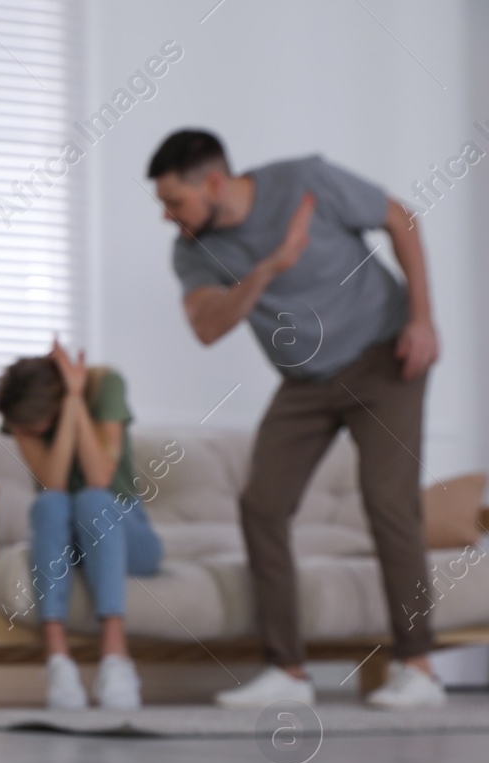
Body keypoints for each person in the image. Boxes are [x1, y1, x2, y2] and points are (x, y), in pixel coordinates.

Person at [148, 129, 444, 710]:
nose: (166, 216)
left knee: (388, 500)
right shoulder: (191, 249)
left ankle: (419, 668)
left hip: (386, 357)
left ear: (213, 183)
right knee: (262, 503)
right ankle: (287, 671)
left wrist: (423, 318)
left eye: (174, 201)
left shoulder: (305, 181)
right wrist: (269, 267)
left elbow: (400, 218)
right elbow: (207, 328)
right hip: (306, 380)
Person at [0, 338, 164, 710]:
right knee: (50, 504)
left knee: (92, 499)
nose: (29, 432)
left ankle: (115, 659)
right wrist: (68, 408)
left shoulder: (106, 385)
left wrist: (74, 401)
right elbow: (53, 482)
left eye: (37, 424)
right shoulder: (22, 419)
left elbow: (100, 475)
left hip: (126, 531)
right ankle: (58, 661)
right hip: (69, 542)